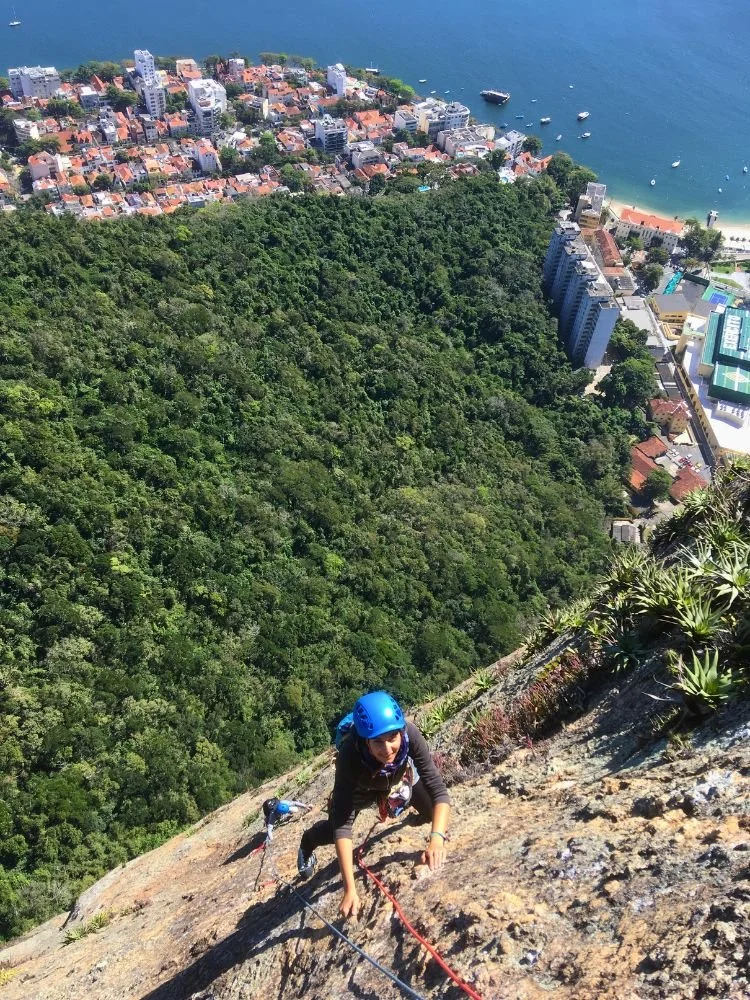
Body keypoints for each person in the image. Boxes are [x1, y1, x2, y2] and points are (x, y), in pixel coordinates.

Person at [297, 691, 451, 919]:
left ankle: (403, 802)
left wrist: (436, 838)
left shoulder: (411, 735)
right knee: (332, 831)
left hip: (397, 776)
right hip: (362, 788)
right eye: (377, 741)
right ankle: (307, 842)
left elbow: (438, 790)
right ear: (365, 740)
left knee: (431, 813)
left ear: (400, 731)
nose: (387, 748)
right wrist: (350, 889)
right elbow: (343, 826)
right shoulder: (349, 755)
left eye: (392, 738)